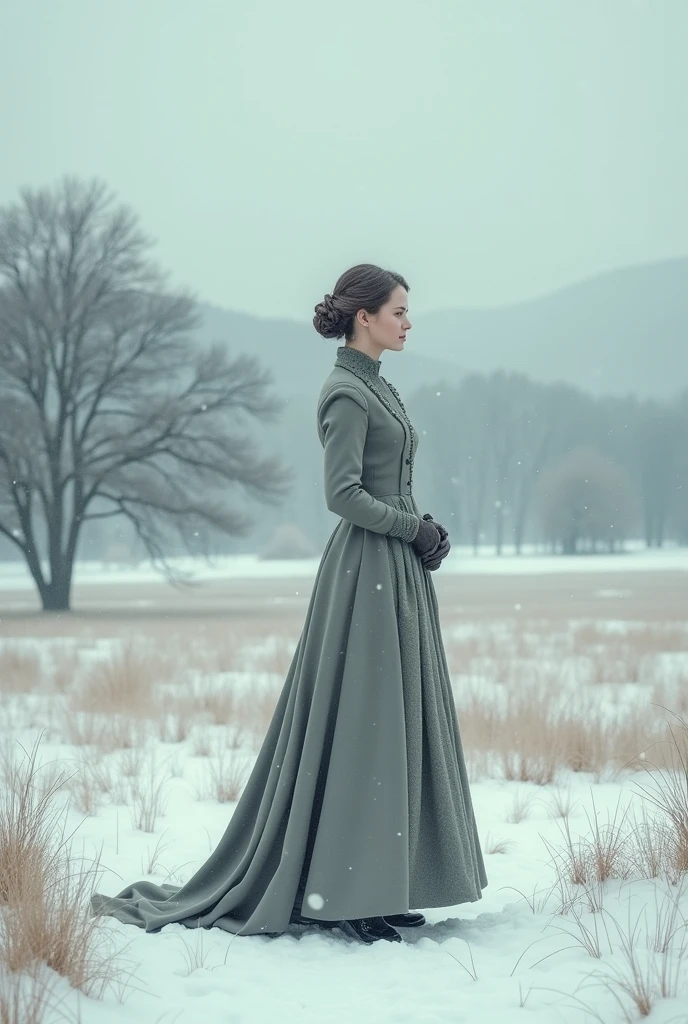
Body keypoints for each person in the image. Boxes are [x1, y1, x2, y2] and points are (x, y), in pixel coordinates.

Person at [90, 263, 488, 946]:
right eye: (398, 310)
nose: (408, 321)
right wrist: (408, 528)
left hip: (394, 570)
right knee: (363, 726)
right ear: (364, 316)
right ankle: (351, 894)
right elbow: (343, 496)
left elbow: (386, 487)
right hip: (365, 576)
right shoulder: (344, 393)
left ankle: (384, 886)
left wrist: (425, 529)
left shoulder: (377, 387)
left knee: (393, 724)